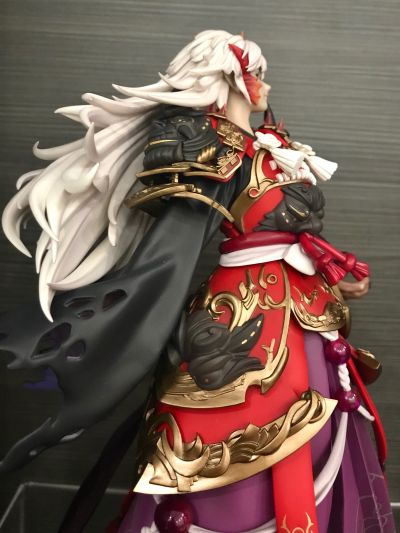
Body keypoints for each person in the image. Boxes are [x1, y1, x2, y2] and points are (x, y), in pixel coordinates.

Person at [1, 30, 394, 533]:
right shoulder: (209, 143)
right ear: (233, 76)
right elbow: (173, 250)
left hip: (301, 311)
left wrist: (330, 275)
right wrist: (132, 321)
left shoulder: (271, 144)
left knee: (319, 422)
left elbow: (289, 229)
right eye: (258, 73)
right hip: (247, 315)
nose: (267, 85)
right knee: (247, 433)